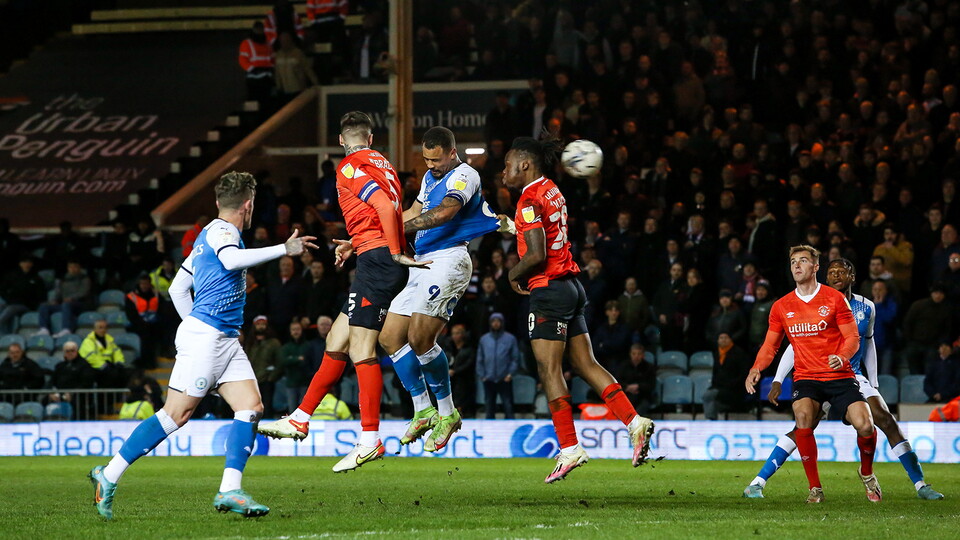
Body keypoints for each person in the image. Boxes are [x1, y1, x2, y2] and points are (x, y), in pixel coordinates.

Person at [88, 170, 318, 519]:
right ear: (248, 204)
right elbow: (230, 260)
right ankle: (108, 474)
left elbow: (178, 288)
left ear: (218, 201)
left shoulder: (205, 235)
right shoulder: (225, 233)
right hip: (208, 338)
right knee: (175, 415)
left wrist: (193, 324)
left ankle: (230, 489)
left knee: (251, 407)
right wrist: (283, 248)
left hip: (221, 338)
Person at [258, 111, 423, 473]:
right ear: (371, 139)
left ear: (340, 141)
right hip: (374, 256)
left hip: (379, 261)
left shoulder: (349, 167)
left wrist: (394, 251)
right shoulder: (385, 165)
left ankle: (369, 440)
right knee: (336, 338)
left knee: (362, 349)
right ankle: (301, 417)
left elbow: (382, 206)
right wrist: (355, 242)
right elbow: (388, 211)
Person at [502, 136, 653, 483]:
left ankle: (570, 447)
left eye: (508, 165)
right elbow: (544, 232)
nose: (504, 172)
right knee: (586, 364)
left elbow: (537, 254)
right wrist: (513, 227)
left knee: (549, 370)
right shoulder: (551, 190)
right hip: (571, 286)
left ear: (525, 164)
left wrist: (513, 274)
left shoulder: (528, 199)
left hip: (548, 291)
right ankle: (634, 421)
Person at [745, 258, 943, 500]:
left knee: (885, 420)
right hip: (816, 375)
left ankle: (920, 485)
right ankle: (758, 482)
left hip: (852, 375)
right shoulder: (814, 302)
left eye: (842, 271)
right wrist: (778, 378)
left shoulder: (866, 307)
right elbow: (794, 345)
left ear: (853, 277)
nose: (836, 275)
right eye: (832, 272)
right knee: (803, 427)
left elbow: (868, 343)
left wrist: (874, 384)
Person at [378, 126, 505, 451]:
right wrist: (375, 231)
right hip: (421, 262)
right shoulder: (429, 177)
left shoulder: (465, 175)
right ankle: (423, 410)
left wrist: (400, 230)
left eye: (436, 159)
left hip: (449, 259)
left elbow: (447, 211)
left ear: (452, 152)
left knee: (420, 338)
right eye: (426, 159)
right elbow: (414, 211)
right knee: (389, 337)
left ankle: (448, 413)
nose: (430, 165)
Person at [745, 246, 878, 503]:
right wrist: (756, 368)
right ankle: (815, 488)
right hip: (807, 377)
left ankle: (867, 473)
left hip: (839, 375)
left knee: (865, 424)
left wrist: (842, 356)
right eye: (793, 261)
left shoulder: (834, 299)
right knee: (803, 418)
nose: (796, 265)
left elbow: (853, 337)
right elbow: (771, 345)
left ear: (815, 267)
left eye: (803, 260)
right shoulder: (781, 306)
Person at [476, 312, 519, 419]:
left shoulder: (510, 339)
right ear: (490, 323)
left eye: (498, 321)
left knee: (508, 406)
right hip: (489, 378)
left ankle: (511, 426)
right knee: (489, 406)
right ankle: (489, 428)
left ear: (502, 323)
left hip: (504, 378)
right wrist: (482, 375)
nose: (495, 323)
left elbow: (515, 358)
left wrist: (510, 374)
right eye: (493, 321)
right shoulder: (484, 339)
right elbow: (480, 358)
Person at [36, 259, 91, 338]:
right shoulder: (64, 279)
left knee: (66, 305)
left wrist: (72, 298)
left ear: (79, 268)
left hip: (80, 304)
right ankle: (44, 329)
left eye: (75, 267)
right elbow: (60, 293)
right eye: (70, 267)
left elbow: (83, 292)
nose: (72, 269)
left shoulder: (85, 279)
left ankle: (66, 329)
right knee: (44, 306)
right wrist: (56, 300)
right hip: (65, 304)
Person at [702, 333, 750, 420]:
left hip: (735, 389)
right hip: (720, 388)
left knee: (708, 396)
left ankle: (711, 421)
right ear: (718, 341)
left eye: (726, 338)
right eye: (721, 338)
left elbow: (744, 374)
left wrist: (731, 384)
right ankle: (712, 420)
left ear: (731, 339)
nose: (723, 340)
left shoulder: (739, 353)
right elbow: (715, 373)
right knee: (711, 399)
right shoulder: (717, 353)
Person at [0, 254, 46, 334]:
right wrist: (8, 299)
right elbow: (2, 289)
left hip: (26, 305)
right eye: (24, 262)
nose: (27, 264)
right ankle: (4, 335)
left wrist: (33, 304)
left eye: (29, 262)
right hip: (11, 302)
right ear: (20, 264)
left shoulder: (36, 278)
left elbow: (41, 295)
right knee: (1, 307)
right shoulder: (13, 276)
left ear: (32, 264)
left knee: (10, 309)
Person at [79, 318, 128, 389]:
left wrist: (119, 363)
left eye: (105, 328)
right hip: (94, 368)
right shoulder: (88, 341)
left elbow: (117, 352)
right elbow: (91, 356)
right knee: (109, 376)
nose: (103, 330)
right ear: (94, 329)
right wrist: (104, 366)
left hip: (108, 366)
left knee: (123, 373)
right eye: (100, 327)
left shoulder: (109, 340)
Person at [444, 323, 476, 418]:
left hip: (465, 380)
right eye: (453, 333)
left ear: (463, 334)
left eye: (457, 333)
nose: (455, 336)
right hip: (451, 380)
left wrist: (455, 371)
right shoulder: (449, 348)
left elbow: (469, 363)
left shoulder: (469, 348)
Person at [613, 343, 656, 414]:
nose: (636, 356)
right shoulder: (623, 366)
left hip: (643, 396)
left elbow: (651, 385)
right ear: (630, 354)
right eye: (634, 354)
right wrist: (627, 387)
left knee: (639, 410)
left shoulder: (649, 367)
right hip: (626, 395)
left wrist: (638, 386)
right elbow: (617, 381)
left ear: (643, 355)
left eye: (639, 354)